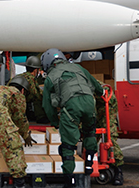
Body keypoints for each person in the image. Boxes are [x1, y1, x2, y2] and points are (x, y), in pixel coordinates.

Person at [41, 48, 104, 188]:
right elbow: (97, 87)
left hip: (71, 106)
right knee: (89, 133)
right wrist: (101, 92)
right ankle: (89, 164)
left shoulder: (50, 77)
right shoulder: (79, 68)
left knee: (68, 146)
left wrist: (55, 123)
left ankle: (69, 181)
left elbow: (47, 105)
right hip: (89, 103)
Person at [95, 81, 124, 186]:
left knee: (109, 138)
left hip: (107, 106)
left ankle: (118, 171)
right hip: (94, 109)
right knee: (90, 138)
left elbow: (108, 95)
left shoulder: (89, 83)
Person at [19, 55, 49, 123]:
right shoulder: (31, 79)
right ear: (36, 70)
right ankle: (40, 118)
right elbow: (37, 94)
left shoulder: (20, 76)